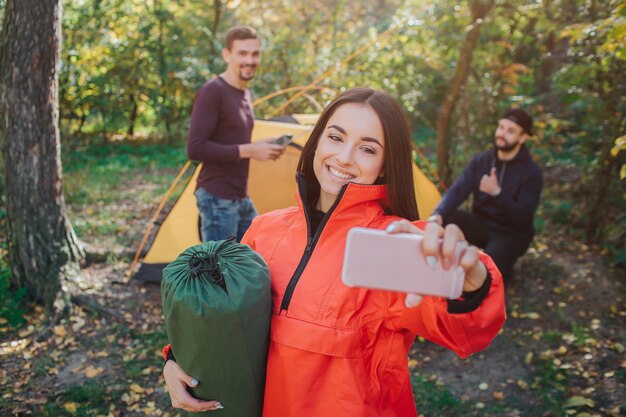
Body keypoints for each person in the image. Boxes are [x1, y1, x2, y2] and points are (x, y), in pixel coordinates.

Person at [162, 88, 506, 416]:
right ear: (316, 141)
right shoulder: (263, 231)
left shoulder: (392, 246)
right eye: (336, 137)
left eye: (367, 149)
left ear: (386, 164)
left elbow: (465, 329)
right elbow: (227, 321)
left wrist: (469, 279)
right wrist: (176, 361)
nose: (343, 157)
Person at [187, 25, 287, 242]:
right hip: (217, 199)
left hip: (239, 197)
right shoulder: (213, 91)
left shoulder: (244, 93)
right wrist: (251, 150)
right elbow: (195, 148)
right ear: (227, 55)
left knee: (256, 254)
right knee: (218, 272)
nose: (250, 60)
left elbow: (231, 140)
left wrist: (262, 146)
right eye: (242, 53)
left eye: (255, 54)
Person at [428, 108, 543, 282]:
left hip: (510, 233)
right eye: (501, 127)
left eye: (510, 131)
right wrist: (438, 214)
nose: (502, 134)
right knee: (446, 219)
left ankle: (503, 268)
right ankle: (435, 271)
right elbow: (459, 189)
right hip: (481, 224)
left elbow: (523, 218)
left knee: (486, 272)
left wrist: (497, 194)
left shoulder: (531, 172)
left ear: (523, 137)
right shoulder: (482, 161)